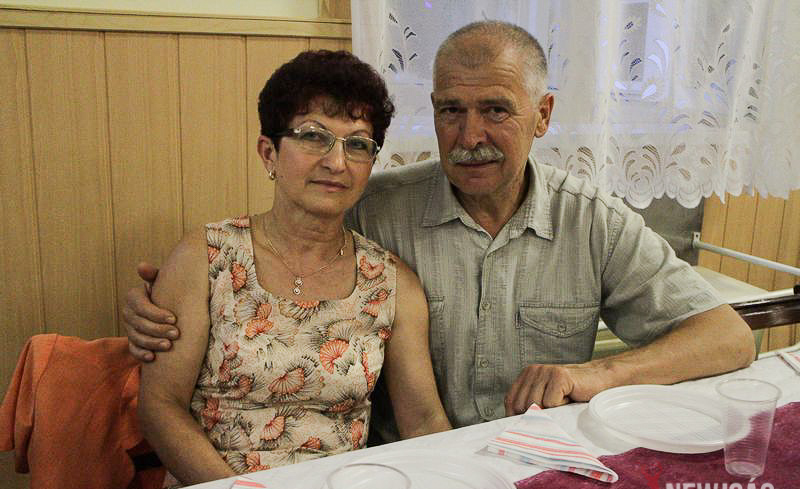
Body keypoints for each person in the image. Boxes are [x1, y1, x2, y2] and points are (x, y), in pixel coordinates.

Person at [125, 22, 754, 445]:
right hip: (403, 470)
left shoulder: (591, 220)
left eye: (496, 110)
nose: (470, 135)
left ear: (543, 116)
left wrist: (593, 376)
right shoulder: (374, 208)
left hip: (542, 460)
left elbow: (727, 338)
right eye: (451, 110)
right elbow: (279, 256)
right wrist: (160, 301)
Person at [136, 50, 450, 487]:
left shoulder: (391, 283)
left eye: (357, 144)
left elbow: (423, 421)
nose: (337, 162)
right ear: (269, 152)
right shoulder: (206, 258)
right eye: (314, 137)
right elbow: (160, 406)